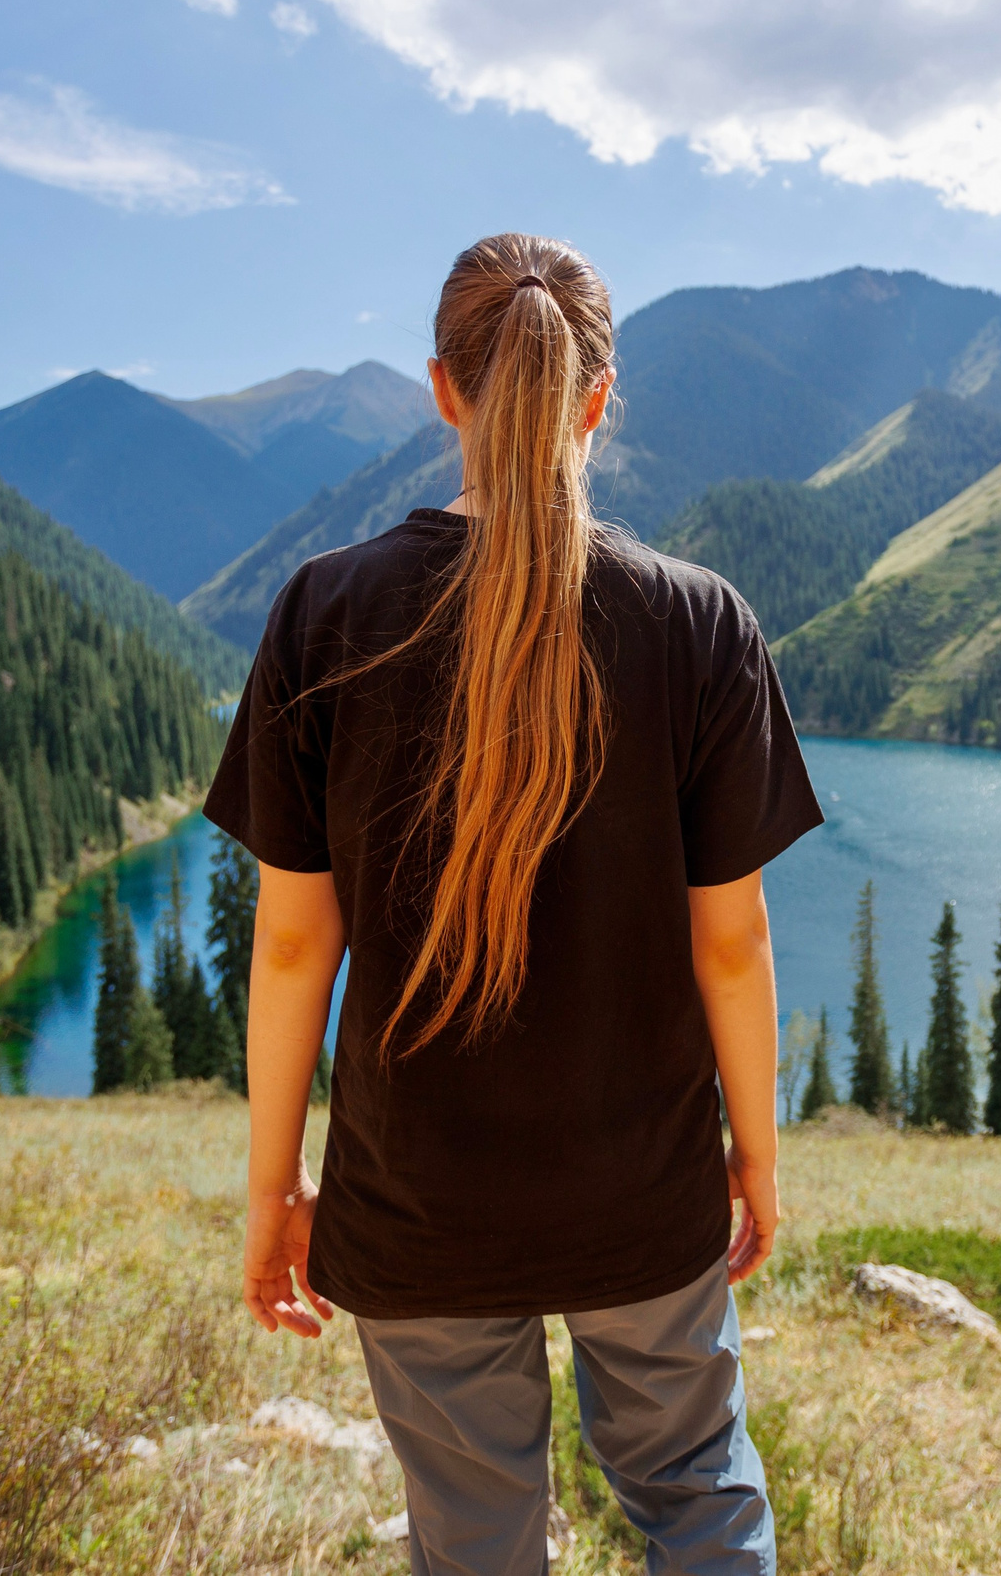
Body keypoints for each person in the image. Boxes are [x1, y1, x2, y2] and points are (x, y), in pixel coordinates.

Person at [206, 233, 823, 1575]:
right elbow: (734, 943)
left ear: (443, 390)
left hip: (416, 1203)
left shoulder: (325, 612)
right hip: (643, 1195)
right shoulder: (701, 623)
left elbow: (297, 945)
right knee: (699, 1496)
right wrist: (757, 1162)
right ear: (600, 398)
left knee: (474, 1540)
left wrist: (276, 1190)